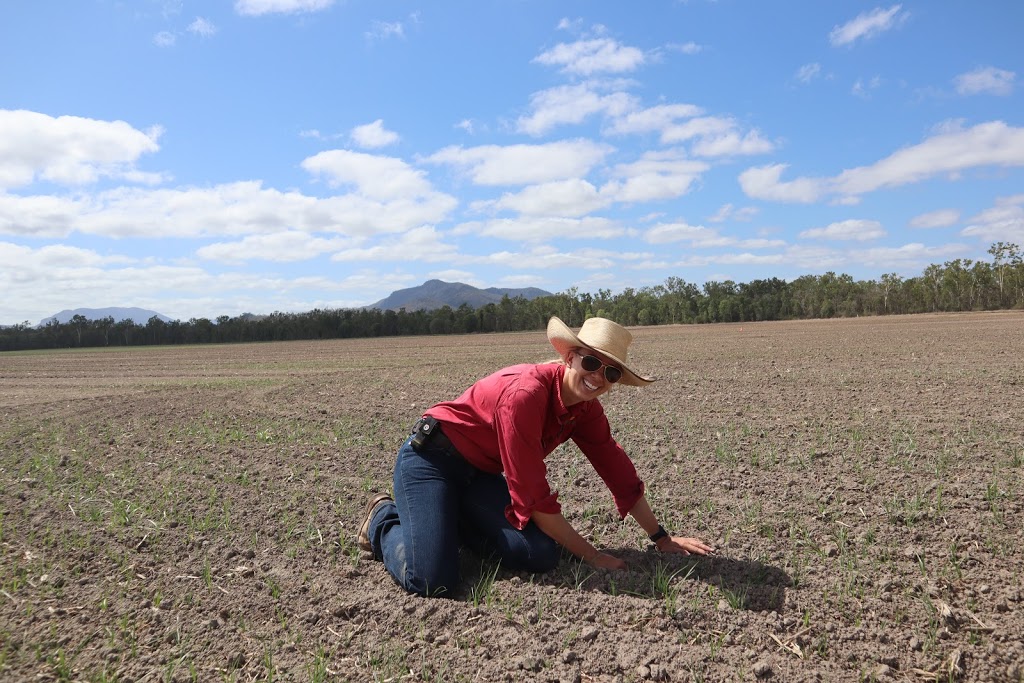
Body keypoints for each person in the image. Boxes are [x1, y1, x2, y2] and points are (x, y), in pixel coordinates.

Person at [357, 316, 715, 597]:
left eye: (610, 372)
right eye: (591, 362)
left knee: (539, 555)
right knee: (433, 579)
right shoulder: (525, 395)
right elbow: (533, 496)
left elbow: (617, 470)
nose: (597, 377)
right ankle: (382, 520)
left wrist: (661, 538)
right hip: (432, 461)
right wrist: (592, 555)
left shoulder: (585, 410)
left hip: (477, 476)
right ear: (569, 356)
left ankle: (445, 521)